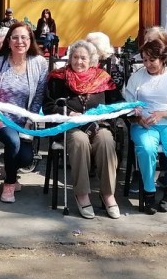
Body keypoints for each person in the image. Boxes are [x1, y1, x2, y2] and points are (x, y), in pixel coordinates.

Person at [0, 22, 48, 203]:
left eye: (24, 38)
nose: (20, 42)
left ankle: (11, 169)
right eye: (15, 37)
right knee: (13, 142)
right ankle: (9, 184)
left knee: (26, 158)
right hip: (0, 118)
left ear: (30, 40)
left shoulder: (39, 63)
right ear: (8, 41)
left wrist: (29, 121)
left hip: (25, 120)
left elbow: (39, 95)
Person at [45, 39, 121, 219]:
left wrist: (125, 112)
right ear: (70, 58)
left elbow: (117, 103)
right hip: (70, 126)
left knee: (106, 140)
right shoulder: (58, 79)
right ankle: (82, 193)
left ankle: (107, 194)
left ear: (92, 60)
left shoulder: (102, 78)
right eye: (75, 57)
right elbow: (48, 106)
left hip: (97, 125)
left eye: (83, 58)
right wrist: (68, 114)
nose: (78, 62)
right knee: (80, 141)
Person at [122, 30, 167, 214]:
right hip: (144, 124)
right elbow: (128, 103)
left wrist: (164, 113)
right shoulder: (137, 78)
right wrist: (137, 117)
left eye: (152, 60)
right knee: (146, 149)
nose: (147, 64)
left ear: (162, 59)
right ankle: (149, 191)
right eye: (144, 60)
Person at [85, 31, 125, 103]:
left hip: (109, 101)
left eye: (89, 47)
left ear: (99, 49)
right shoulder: (89, 61)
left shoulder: (112, 62)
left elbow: (117, 85)